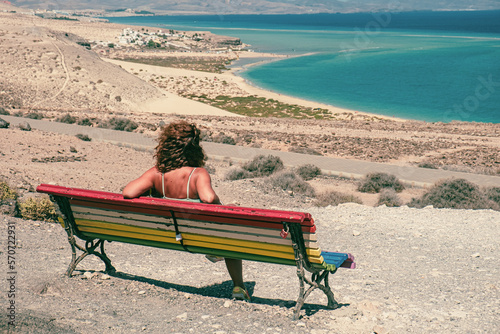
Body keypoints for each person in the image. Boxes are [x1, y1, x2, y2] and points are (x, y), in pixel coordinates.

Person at [122, 120, 250, 301]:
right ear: (194, 148)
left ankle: (219, 253)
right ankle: (239, 286)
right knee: (230, 232)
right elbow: (208, 198)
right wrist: (222, 205)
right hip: (201, 236)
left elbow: (128, 192)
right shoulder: (198, 174)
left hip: (171, 235)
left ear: (166, 146)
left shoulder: (156, 173)